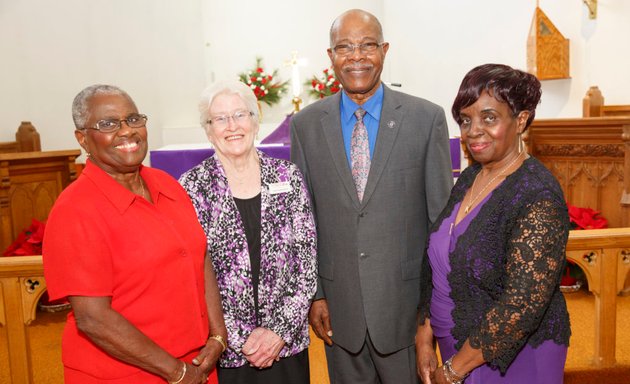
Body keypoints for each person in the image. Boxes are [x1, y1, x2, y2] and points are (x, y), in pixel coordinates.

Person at [290, 9, 454, 384]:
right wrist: (316, 294)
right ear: (330, 55)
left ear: (384, 50)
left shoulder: (424, 119)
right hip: (338, 308)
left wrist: (430, 312)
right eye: (344, 47)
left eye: (367, 46)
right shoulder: (306, 126)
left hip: (404, 311)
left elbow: (439, 222)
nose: (357, 57)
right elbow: (305, 219)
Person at [43, 84, 227, 384]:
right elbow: (93, 319)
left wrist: (218, 336)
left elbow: (199, 254)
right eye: (107, 124)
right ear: (82, 139)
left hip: (195, 363)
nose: (126, 131)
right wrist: (175, 371)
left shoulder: (166, 183)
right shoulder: (75, 210)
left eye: (133, 119)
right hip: (127, 372)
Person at [415, 64, 571, 384]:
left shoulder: (537, 195)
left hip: (511, 357)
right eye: (466, 119)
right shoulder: (473, 176)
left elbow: (520, 306)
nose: (473, 130)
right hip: (457, 345)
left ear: (521, 121)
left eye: (489, 118)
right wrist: (424, 335)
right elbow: (440, 263)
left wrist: (455, 370)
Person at [178, 80, 318, 384]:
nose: (232, 126)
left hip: (285, 345)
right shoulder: (192, 187)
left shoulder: (287, 177)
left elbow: (306, 265)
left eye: (240, 115)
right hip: (226, 349)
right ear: (208, 128)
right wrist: (240, 338)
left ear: (255, 121)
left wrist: (279, 331)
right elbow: (191, 274)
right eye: (220, 118)